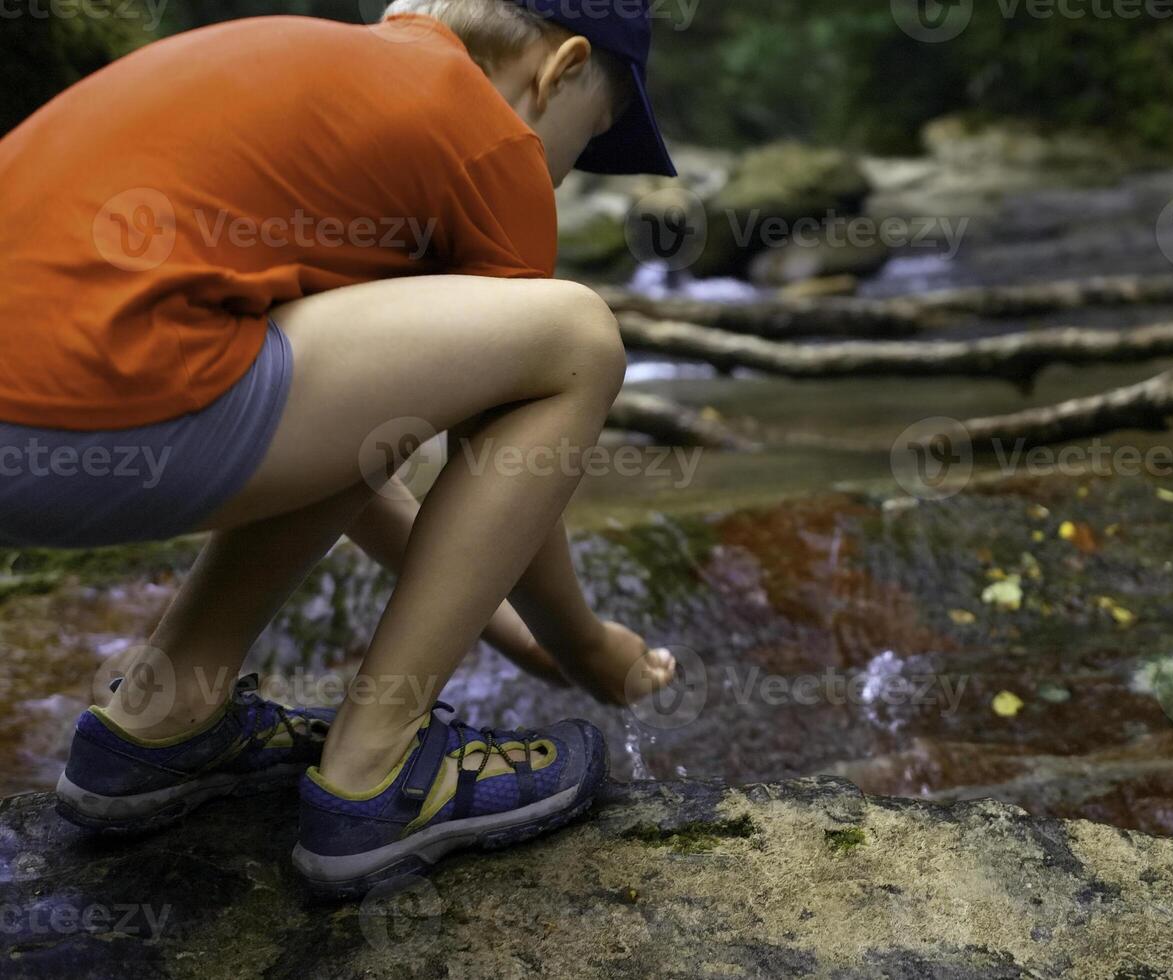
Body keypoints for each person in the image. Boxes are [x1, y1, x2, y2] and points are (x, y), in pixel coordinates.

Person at [0, 0, 679, 897]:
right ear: (556, 71)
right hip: (98, 413)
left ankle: (160, 722)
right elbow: (517, 444)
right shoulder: (485, 137)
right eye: (583, 142)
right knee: (578, 334)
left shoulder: (327, 83)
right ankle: (379, 772)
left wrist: (511, 636)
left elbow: (342, 446)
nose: (559, 178)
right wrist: (587, 649)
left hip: (48, 436)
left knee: (297, 348)